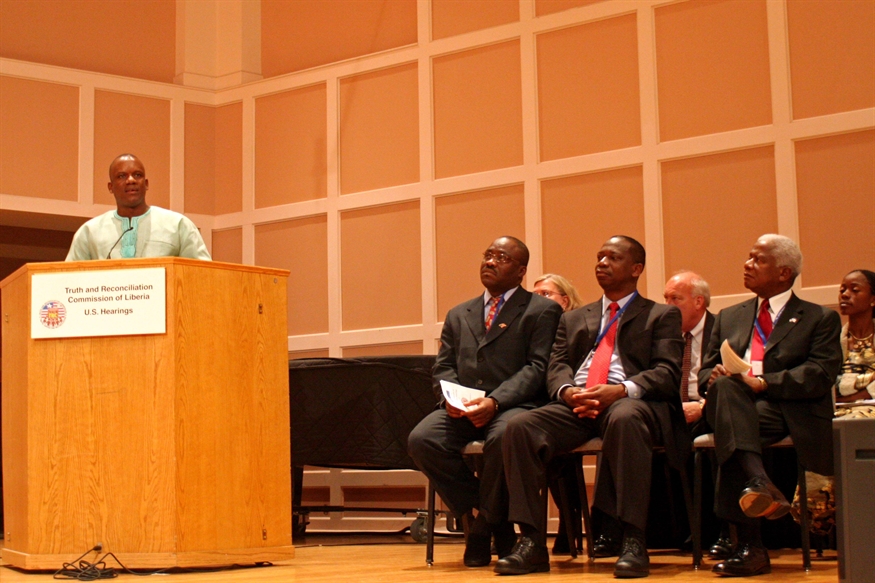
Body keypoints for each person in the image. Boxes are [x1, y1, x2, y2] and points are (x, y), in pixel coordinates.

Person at [497, 235, 686, 578]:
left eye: (613, 257)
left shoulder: (661, 315)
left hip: (629, 402)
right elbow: (556, 367)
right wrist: (569, 392)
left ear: (636, 268)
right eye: (599, 257)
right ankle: (531, 542)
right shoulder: (572, 319)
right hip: (578, 403)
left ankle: (631, 538)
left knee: (626, 419)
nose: (602, 263)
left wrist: (620, 390)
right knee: (520, 427)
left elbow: (667, 373)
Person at [407, 236, 563, 568]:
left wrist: (495, 401)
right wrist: (450, 398)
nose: (490, 262)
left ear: (521, 271)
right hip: (463, 407)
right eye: (488, 255)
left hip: (515, 407)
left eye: (501, 258)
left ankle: (480, 530)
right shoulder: (459, 312)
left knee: (503, 438)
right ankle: (489, 516)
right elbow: (444, 365)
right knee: (422, 440)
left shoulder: (541, 309)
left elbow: (537, 368)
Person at [699, 234, 842, 577]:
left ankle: (750, 546)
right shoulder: (729, 316)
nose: (747, 265)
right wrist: (713, 374)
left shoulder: (818, 317)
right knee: (728, 397)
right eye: (748, 258)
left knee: (732, 429)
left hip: (788, 409)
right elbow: (704, 369)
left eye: (758, 259)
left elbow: (820, 373)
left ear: (784, 272)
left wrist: (763, 383)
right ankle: (760, 484)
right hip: (736, 403)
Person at [66, 154, 211, 261]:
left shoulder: (178, 225)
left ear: (146, 184)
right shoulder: (90, 231)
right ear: (111, 187)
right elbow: (69, 279)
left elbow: (203, 273)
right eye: (122, 176)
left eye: (137, 175)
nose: (131, 180)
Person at [533, 273, 584, 555]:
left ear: (564, 300)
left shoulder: (580, 324)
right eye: (535, 295)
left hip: (570, 399)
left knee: (555, 451)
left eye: (546, 294)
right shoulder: (531, 327)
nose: (538, 300)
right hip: (537, 399)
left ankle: (570, 521)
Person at [834, 269, 875, 410]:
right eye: (842, 290)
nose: (844, 295)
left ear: (873, 299)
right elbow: (826, 382)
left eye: (855, 290)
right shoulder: (832, 338)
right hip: (836, 412)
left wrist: (850, 397)